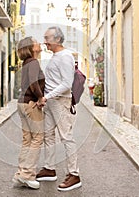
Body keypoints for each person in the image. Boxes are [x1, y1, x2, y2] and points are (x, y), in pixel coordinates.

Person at [36, 26, 82, 191]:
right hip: (50, 102)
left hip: (61, 101)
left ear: (57, 39)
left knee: (66, 137)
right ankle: (49, 168)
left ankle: (74, 174)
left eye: (47, 38)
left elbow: (66, 84)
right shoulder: (55, 56)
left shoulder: (65, 56)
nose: (45, 41)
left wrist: (46, 97)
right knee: (48, 136)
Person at [12, 36, 45, 189]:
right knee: (37, 138)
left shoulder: (26, 63)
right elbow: (33, 82)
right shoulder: (33, 62)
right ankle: (27, 175)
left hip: (22, 104)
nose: (39, 42)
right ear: (31, 47)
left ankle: (21, 173)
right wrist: (40, 97)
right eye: (35, 41)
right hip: (31, 104)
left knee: (27, 140)